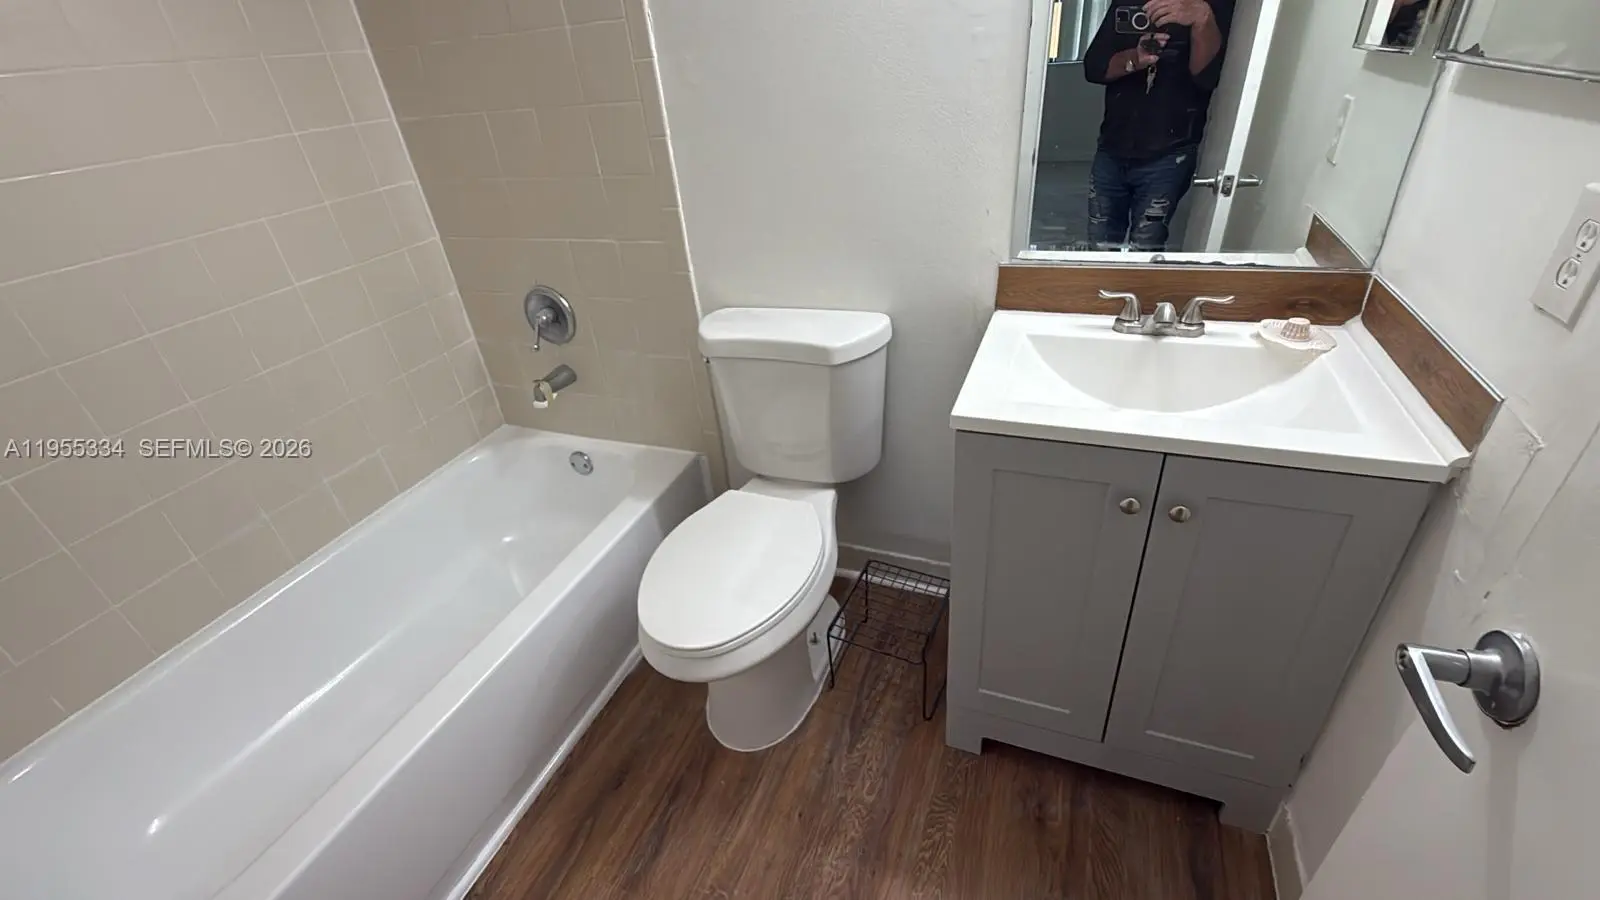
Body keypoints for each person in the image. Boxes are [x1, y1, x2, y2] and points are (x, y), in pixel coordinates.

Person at [1082, 0, 1234, 251]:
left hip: (1169, 152)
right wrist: (1135, 58)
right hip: (1112, 145)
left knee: (1146, 247)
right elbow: (1094, 68)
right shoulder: (1130, 2)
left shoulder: (1210, 7)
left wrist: (1201, 19)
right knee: (1099, 246)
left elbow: (1207, 77)